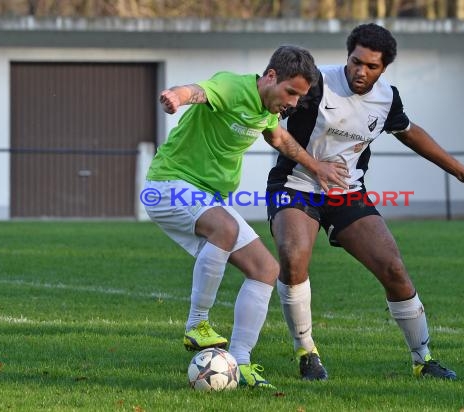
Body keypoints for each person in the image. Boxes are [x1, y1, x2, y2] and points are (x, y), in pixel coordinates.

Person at [266, 24, 464, 381]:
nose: (361, 71)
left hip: (348, 194)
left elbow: (410, 133)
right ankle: (307, 352)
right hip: (295, 185)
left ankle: (423, 359)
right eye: (356, 62)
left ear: (384, 68)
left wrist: (460, 170)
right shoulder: (317, 83)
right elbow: (271, 114)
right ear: (348, 56)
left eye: (371, 66)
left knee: (393, 269)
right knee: (293, 258)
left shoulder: (388, 98)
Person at [143, 45, 348, 390]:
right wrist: (175, 97)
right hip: (169, 185)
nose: (294, 103)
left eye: (300, 96)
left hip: (208, 195)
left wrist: (316, 166)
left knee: (266, 270)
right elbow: (198, 91)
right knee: (225, 228)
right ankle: (198, 324)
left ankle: (240, 362)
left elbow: (280, 138)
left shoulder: (266, 109)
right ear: (270, 76)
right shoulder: (233, 87)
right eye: (291, 92)